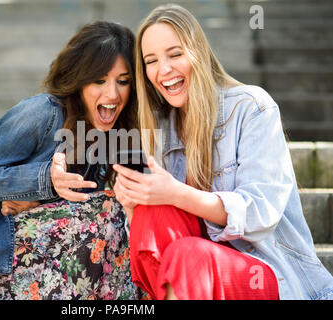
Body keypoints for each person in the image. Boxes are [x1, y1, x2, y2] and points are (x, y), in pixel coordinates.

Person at [113, 3, 333, 300]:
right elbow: (155, 241)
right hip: (191, 278)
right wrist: (132, 204)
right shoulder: (159, 128)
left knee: (189, 255)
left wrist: (176, 193)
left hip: (264, 273)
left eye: (175, 54)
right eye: (151, 61)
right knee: (153, 211)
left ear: (198, 53)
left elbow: (260, 213)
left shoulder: (251, 108)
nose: (163, 70)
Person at [0, 21, 146, 300]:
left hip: (32, 261)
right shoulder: (42, 114)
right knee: (106, 209)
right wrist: (43, 180)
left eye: (123, 81)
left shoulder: (111, 136)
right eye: (99, 80)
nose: (113, 94)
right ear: (79, 80)